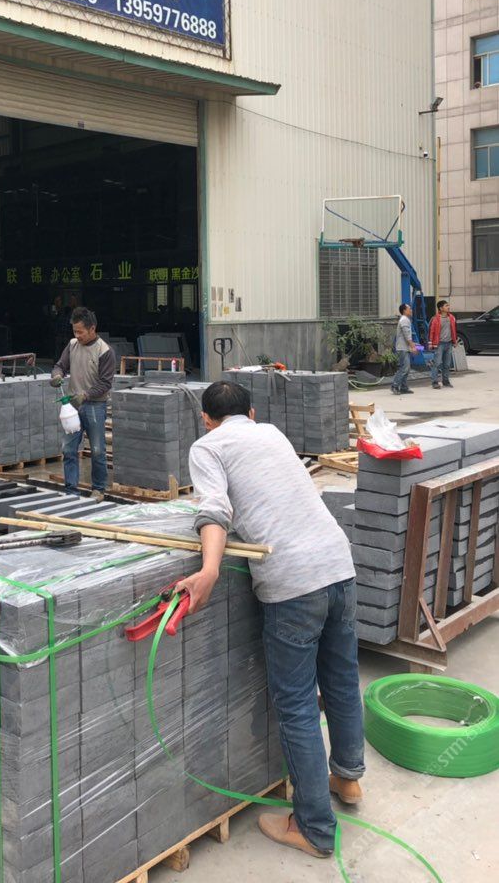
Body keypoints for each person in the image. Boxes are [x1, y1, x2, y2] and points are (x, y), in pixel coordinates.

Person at [176, 381, 364, 861]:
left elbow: (214, 509)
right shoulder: (272, 433)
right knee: (342, 680)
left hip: (292, 582)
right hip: (338, 564)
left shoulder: (207, 447)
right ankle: (347, 777)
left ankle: (313, 828)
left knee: (297, 704)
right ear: (253, 412)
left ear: (206, 420)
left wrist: (209, 570)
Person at [51, 306, 115, 502]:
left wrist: (86, 395)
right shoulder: (72, 345)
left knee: (97, 449)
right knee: (68, 449)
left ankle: (98, 489)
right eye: (75, 331)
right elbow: (60, 365)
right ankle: (71, 491)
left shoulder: (104, 351)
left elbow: (105, 383)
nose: (77, 336)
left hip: (95, 406)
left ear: (92, 329)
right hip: (72, 406)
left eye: (80, 332)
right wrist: (57, 375)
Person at [428, 300, 457, 390]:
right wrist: (430, 343)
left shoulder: (451, 317)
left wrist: (454, 341)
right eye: (446, 306)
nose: (448, 307)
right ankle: (434, 382)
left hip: (449, 343)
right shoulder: (435, 319)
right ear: (441, 308)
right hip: (439, 344)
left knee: (447, 364)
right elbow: (431, 331)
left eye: (448, 305)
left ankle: (445, 381)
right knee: (436, 363)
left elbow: (454, 330)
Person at [391, 302, 418, 395]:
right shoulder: (404, 320)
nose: (411, 310)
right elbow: (407, 336)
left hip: (404, 348)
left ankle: (403, 387)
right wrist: (413, 347)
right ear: (404, 311)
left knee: (406, 368)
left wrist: (412, 345)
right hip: (402, 348)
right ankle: (395, 386)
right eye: (409, 309)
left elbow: (407, 336)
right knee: (404, 368)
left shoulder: (406, 319)